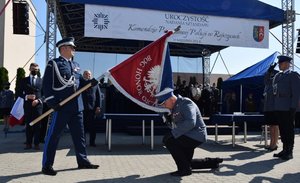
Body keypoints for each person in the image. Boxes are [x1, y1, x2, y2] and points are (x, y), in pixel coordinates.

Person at [41, 37, 99, 176]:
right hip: (62, 106)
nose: (74, 50)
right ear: (64, 48)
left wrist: (91, 82)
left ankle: (82, 161)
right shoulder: (53, 64)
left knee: (80, 137)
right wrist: (51, 102)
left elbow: (79, 83)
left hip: (77, 107)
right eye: (72, 47)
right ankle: (47, 165)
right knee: (53, 136)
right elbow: (47, 85)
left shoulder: (75, 64)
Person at [155, 88, 222, 177]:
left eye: (164, 103)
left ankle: (184, 170)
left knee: (170, 141)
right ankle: (213, 162)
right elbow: (176, 125)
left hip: (196, 134)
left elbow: (190, 122)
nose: (164, 106)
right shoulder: (174, 108)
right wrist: (167, 119)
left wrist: (173, 133)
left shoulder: (186, 103)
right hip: (187, 134)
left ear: (171, 99)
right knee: (186, 162)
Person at [272, 55, 300, 160]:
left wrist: (293, 107)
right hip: (279, 106)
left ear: (287, 64)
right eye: (279, 63)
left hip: (288, 107)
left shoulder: (293, 75)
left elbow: (296, 93)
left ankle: (289, 151)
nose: (279, 65)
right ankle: (284, 149)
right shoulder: (278, 76)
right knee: (283, 129)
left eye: (281, 63)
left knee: (289, 129)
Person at [19, 63, 43, 150]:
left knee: (38, 126)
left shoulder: (41, 80)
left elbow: (45, 95)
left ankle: (36, 143)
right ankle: (28, 143)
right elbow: (19, 93)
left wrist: (38, 100)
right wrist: (26, 96)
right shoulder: (23, 80)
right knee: (29, 125)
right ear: (29, 69)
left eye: (36, 69)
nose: (34, 70)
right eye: (33, 69)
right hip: (28, 107)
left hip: (38, 107)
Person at [81, 70, 101, 147]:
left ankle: (92, 142)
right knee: (83, 127)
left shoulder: (95, 84)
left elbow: (98, 96)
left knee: (93, 127)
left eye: (89, 74)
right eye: (86, 74)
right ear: (83, 75)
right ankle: (83, 143)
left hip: (93, 109)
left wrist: (98, 106)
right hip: (82, 108)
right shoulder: (81, 83)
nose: (88, 75)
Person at [263, 63, 279, 151]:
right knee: (271, 127)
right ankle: (271, 143)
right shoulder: (268, 84)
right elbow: (266, 78)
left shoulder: (276, 83)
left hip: (274, 108)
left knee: (275, 126)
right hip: (268, 108)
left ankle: (274, 144)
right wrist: (269, 69)